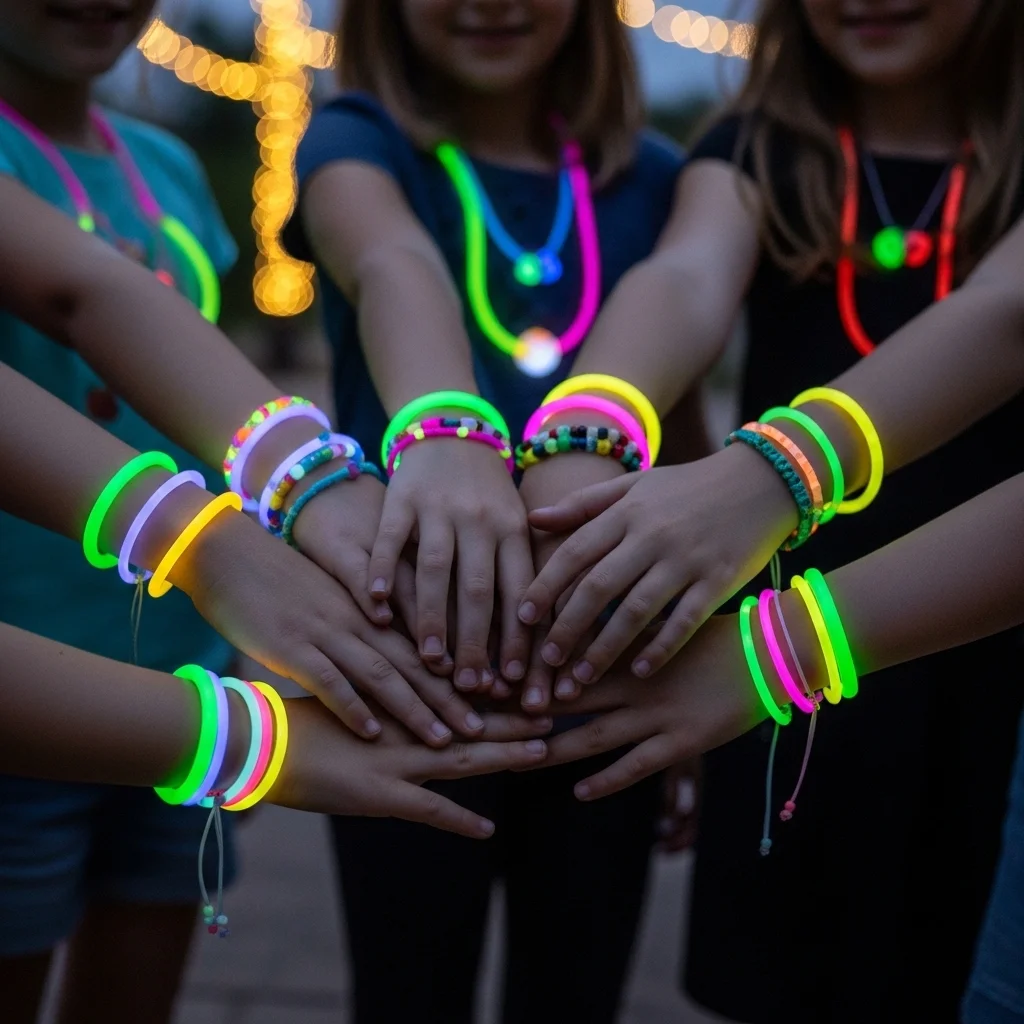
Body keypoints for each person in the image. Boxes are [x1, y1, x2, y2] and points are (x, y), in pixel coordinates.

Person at [507, 0, 1024, 1020]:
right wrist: (581, 434)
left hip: (978, 638)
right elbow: (685, 278)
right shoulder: (755, 147)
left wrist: (770, 475)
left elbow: (1004, 314)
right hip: (772, 684)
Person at [283, 1, 695, 1020]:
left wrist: (695, 652)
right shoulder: (357, 141)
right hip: (413, 673)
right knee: (406, 993)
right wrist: (446, 426)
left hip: (603, 670)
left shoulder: (652, 176)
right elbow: (390, 260)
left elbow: (677, 413)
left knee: (577, 992)